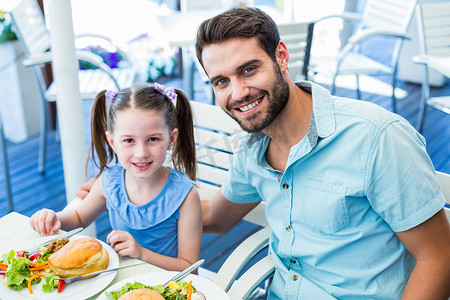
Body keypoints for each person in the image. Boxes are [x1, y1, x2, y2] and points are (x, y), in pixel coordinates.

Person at [76, 7, 450, 299]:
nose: (237, 93)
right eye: (221, 81)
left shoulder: (376, 138)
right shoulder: (253, 152)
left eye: (248, 69)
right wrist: (129, 189)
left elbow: (439, 259)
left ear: (281, 56)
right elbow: (213, 217)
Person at [30, 83, 202, 272]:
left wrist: (142, 254)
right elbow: (79, 217)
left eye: (153, 139)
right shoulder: (110, 182)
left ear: (171, 138)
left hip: (171, 287)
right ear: (112, 142)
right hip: (119, 282)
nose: (141, 153)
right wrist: (54, 218)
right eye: (129, 140)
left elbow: (189, 267)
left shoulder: (185, 195)